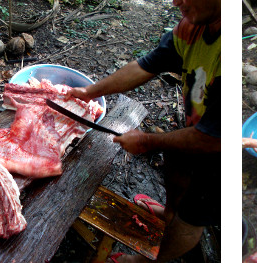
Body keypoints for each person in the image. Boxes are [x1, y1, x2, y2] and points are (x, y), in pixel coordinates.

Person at [68, 0, 220, 262]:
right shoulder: (193, 26)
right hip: (198, 126)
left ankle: (149, 260)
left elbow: (210, 139)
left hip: (220, 151)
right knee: (176, 158)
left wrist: (148, 141)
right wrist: (89, 93)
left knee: (192, 216)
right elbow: (144, 66)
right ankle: (169, 212)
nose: (176, 2)